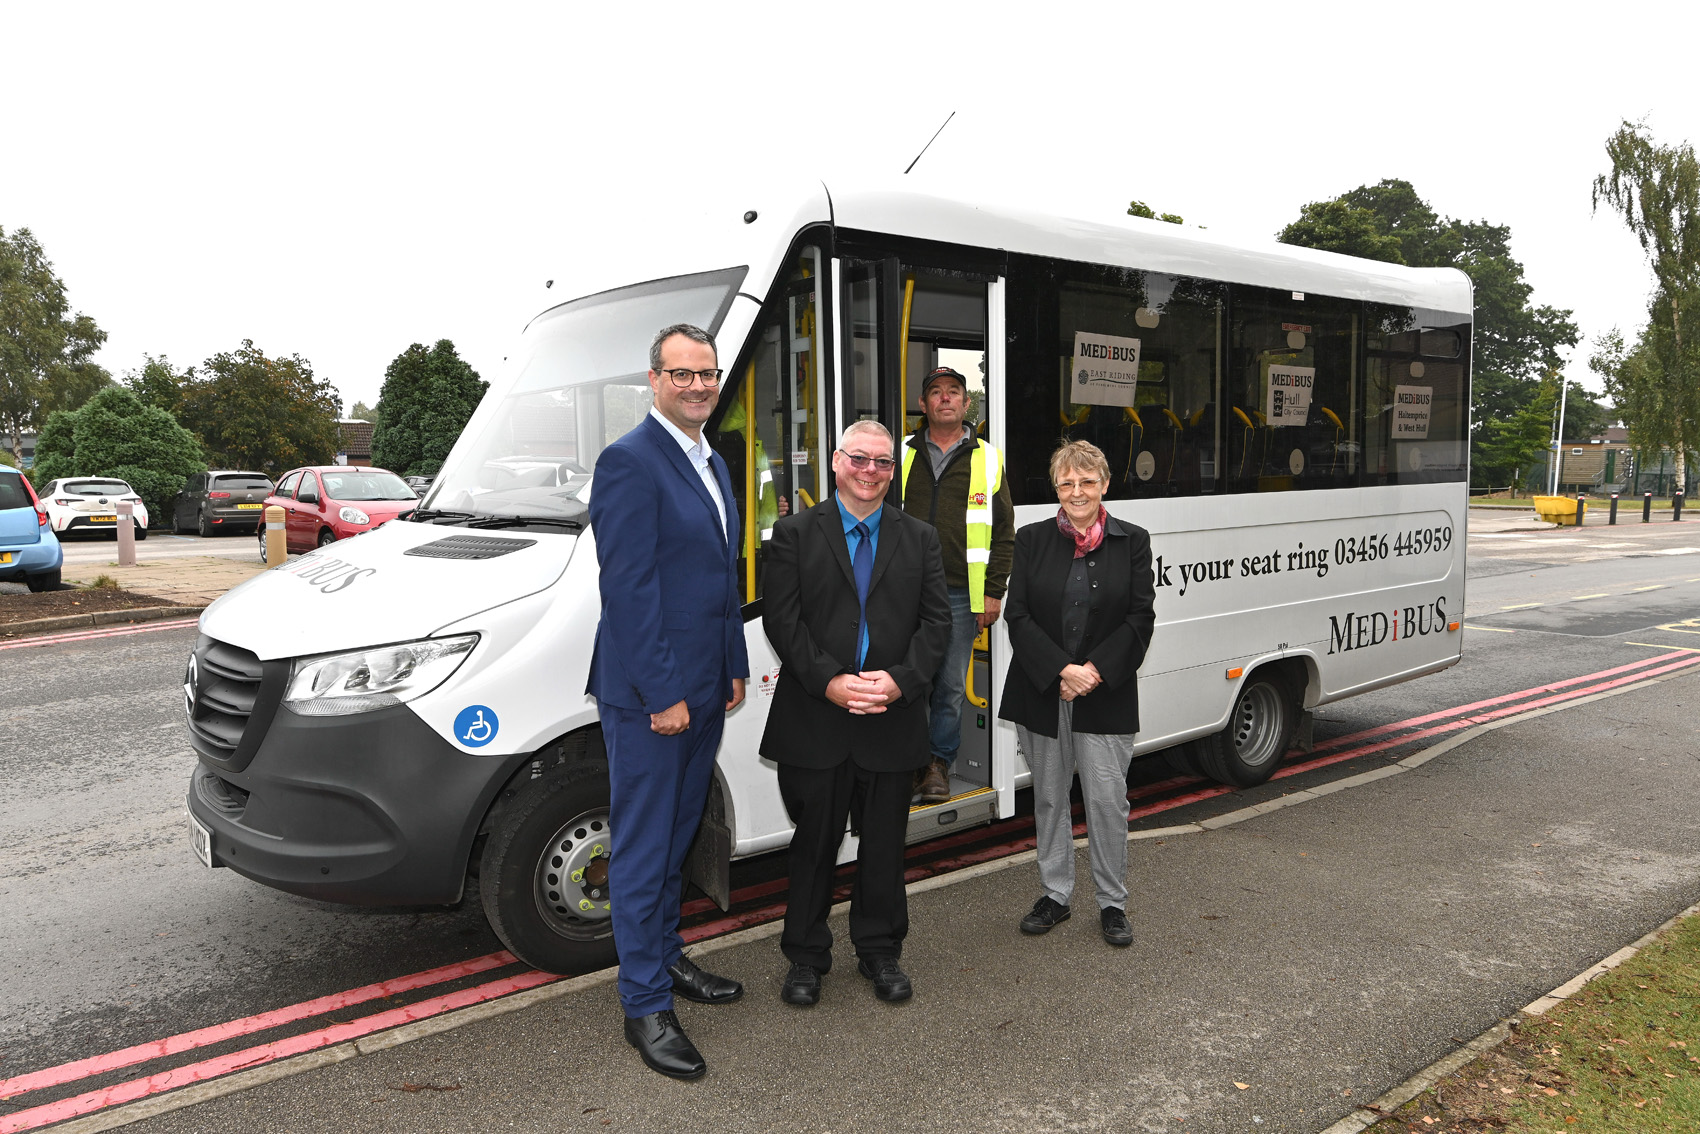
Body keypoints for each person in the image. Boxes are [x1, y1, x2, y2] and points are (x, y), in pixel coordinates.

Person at [585, 323, 749, 1081]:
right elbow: (627, 590)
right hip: (654, 698)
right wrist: (663, 694)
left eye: (706, 374)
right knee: (647, 848)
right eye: (682, 374)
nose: (697, 386)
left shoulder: (712, 457)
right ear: (653, 379)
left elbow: (721, 575)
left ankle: (666, 956)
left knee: (680, 837)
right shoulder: (629, 461)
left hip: (704, 688)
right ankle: (644, 1004)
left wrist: (733, 663)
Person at [761, 420, 951, 1006]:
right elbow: (782, 622)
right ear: (837, 461)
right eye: (860, 459)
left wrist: (898, 683)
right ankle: (806, 958)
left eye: (883, 463)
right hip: (817, 719)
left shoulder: (920, 538)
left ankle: (880, 951)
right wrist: (830, 682)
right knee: (813, 845)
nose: (871, 472)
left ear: (894, 471)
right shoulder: (793, 533)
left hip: (891, 719)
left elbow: (938, 625)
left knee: (886, 846)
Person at [998, 439, 1155, 947]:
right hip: (1042, 690)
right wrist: (1062, 669)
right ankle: (1056, 895)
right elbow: (1016, 616)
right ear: (1056, 488)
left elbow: (1139, 618)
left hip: (1103, 692)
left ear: (1105, 485)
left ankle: (1112, 903)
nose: (1077, 491)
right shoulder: (1032, 539)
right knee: (1048, 798)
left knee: (1108, 801)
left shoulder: (1132, 541)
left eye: (1087, 482)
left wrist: (1092, 671)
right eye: (1067, 483)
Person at [899, 365, 1016, 804]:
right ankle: (907, 760)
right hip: (903, 591)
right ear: (923, 404)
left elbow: (1004, 530)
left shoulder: (988, 458)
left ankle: (937, 763)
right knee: (907, 682)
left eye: (953, 391)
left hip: (959, 594)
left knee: (949, 686)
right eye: (935, 392)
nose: (945, 398)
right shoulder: (902, 453)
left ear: (967, 404)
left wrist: (993, 590)